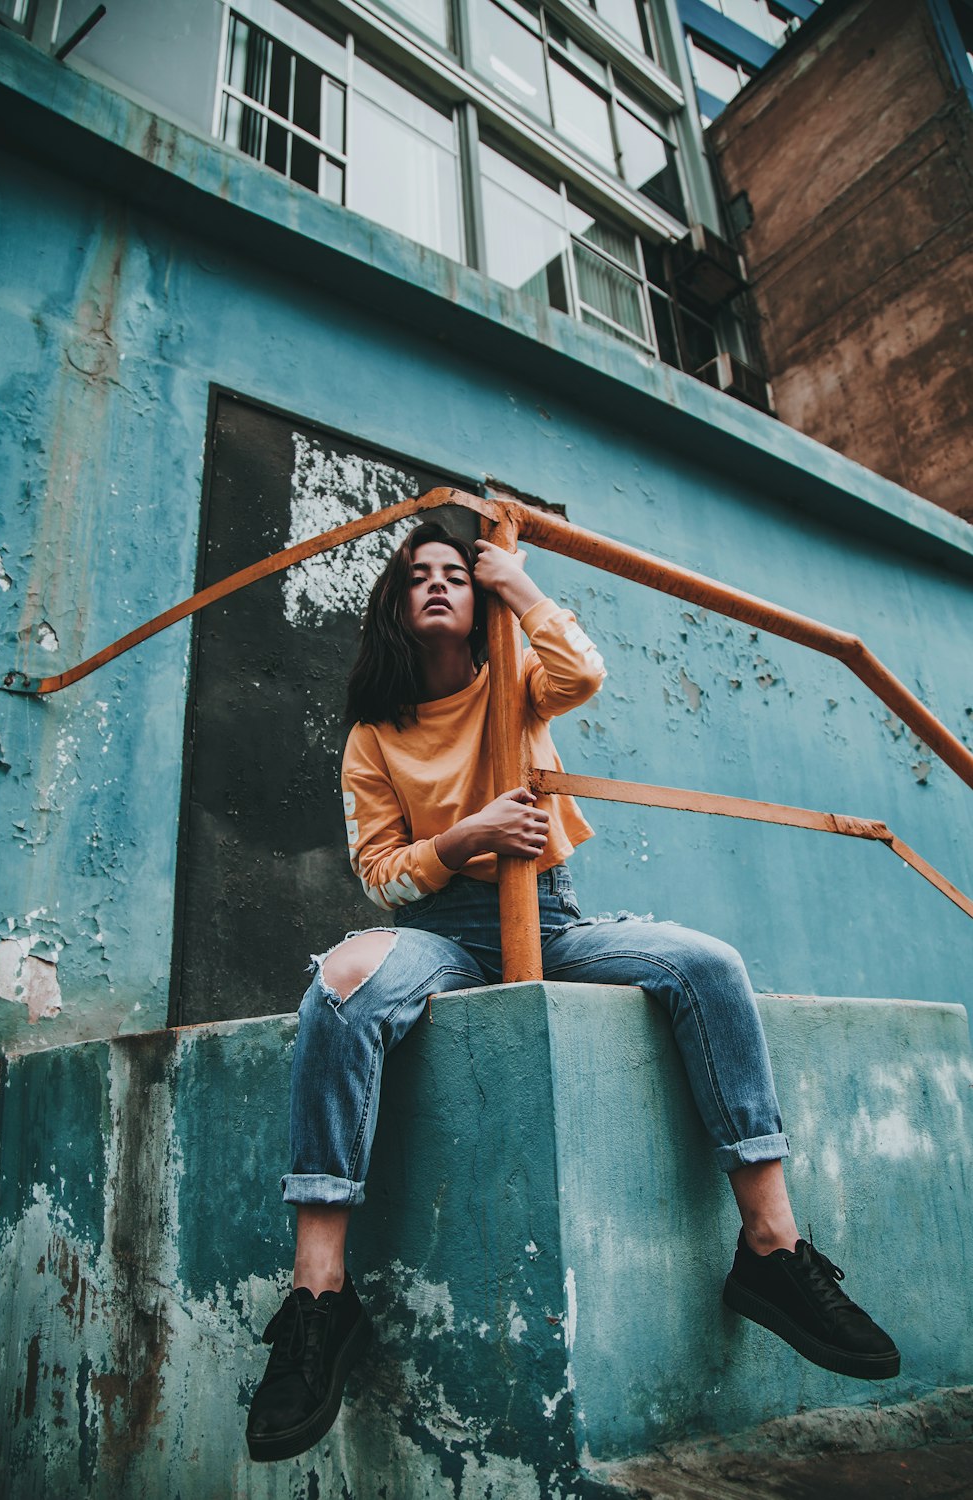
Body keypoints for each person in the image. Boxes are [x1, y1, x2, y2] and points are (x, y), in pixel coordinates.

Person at [245, 521, 899, 1463]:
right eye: (416, 577)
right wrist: (468, 836)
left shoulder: (514, 671)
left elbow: (583, 672)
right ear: (394, 605)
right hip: (440, 935)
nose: (438, 585)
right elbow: (380, 875)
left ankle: (771, 1248)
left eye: (455, 576)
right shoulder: (371, 737)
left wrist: (516, 581)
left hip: (552, 919)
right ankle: (319, 1296)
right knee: (343, 986)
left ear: (477, 601)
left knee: (707, 965)